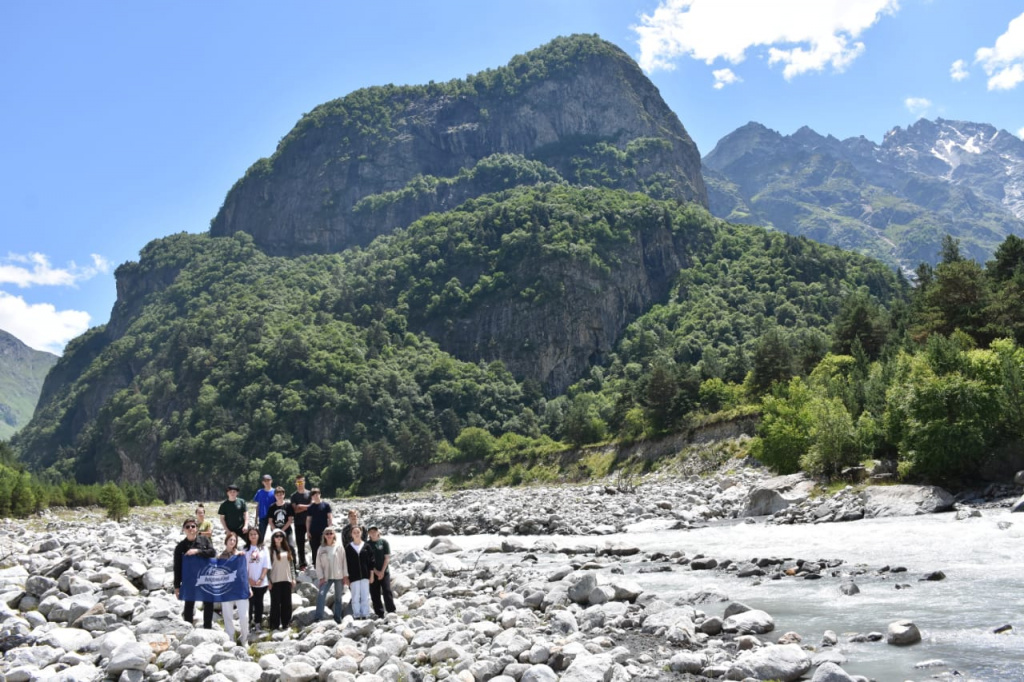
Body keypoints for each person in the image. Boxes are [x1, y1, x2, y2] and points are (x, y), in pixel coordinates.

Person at [172, 517, 215, 628]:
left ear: (196, 528)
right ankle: (188, 627)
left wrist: (197, 551)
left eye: (193, 526)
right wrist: (177, 587)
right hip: (189, 579)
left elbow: (212, 552)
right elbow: (177, 567)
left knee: (208, 602)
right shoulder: (180, 547)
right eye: (188, 527)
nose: (190, 528)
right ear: (184, 530)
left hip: (205, 577)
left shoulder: (204, 540)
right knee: (189, 604)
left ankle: (207, 627)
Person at [217, 532, 251, 643]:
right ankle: (230, 638)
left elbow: (244, 573)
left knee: (244, 616)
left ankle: (244, 638)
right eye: (230, 540)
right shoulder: (220, 557)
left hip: (240, 589)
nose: (232, 542)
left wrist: (249, 587)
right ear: (226, 541)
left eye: (234, 540)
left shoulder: (240, 556)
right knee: (227, 616)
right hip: (226, 590)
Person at [314, 527, 348, 623]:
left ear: (334, 535)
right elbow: (318, 564)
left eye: (331, 533)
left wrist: (345, 576)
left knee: (338, 598)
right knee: (321, 595)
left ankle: (338, 618)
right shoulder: (321, 548)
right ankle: (318, 617)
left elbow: (344, 562)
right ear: (324, 535)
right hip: (326, 577)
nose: (329, 535)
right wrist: (320, 577)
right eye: (327, 533)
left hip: (338, 576)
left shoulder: (339, 547)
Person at [267, 530, 296, 630]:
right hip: (274, 580)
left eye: (281, 536)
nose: (278, 538)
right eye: (276, 536)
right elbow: (267, 567)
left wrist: (293, 578)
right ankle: (274, 625)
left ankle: (286, 623)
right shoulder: (269, 550)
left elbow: (292, 565)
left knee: (287, 603)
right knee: (275, 603)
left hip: (286, 579)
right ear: (273, 538)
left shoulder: (288, 549)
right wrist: (268, 580)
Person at [344, 525, 374, 619]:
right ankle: (356, 614)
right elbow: (346, 563)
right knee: (355, 597)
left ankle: (365, 614)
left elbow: (371, 562)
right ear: (351, 534)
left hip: (365, 575)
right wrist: (346, 577)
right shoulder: (348, 547)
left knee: (365, 596)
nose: (356, 534)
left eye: (358, 532)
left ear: (361, 533)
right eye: (354, 532)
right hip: (353, 576)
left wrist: (371, 575)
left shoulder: (366, 546)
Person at [244, 527, 270, 633]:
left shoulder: (264, 549)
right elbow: (242, 566)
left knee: (259, 603)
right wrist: (248, 579)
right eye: (251, 534)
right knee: (249, 604)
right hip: (249, 582)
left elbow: (266, 565)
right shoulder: (245, 550)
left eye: (255, 534)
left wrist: (261, 578)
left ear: (258, 535)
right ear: (248, 536)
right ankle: (249, 623)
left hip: (261, 582)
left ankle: (258, 623)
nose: (253, 536)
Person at [367, 526, 396, 618]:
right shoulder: (367, 544)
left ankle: (391, 611)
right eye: (371, 531)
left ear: (378, 532)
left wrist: (382, 572)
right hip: (372, 573)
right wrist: (376, 572)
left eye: (374, 531)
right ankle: (379, 613)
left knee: (387, 591)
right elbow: (367, 560)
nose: (373, 533)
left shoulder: (384, 542)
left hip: (385, 572)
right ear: (368, 533)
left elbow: (387, 558)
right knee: (374, 593)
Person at [306, 488, 333, 567]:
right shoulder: (310, 507)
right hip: (313, 531)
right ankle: (316, 565)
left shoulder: (326, 505)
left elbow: (330, 517)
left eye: (317, 494)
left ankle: (327, 564)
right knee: (315, 549)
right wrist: (307, 531)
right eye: (314, 495)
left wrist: (330, 529)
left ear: (320, 494)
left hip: (324, 531)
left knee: (325, 548)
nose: (316, 496)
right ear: (312, 497)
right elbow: (308, 520)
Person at [290, 475, 312, 569]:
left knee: (313, 542)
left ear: (304, 482)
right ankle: (302, 563)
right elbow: (295, 510)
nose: (300, 484)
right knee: (300, 544)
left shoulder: (309, 494)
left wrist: (300, 506)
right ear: (296, 483)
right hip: (298, 523)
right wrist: (307, 507)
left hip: (310, 522)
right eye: (298, 482)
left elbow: (312, 506)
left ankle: (315, 562)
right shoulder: (293, 496)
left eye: (301, 482)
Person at [253, 474, 276, 545]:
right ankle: (259, 549)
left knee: (275, 534)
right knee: (260, 535)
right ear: (262, 482)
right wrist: (256, 518)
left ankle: (275, 549)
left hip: (273, 516)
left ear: (271, 481)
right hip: (262, 516)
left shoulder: (275, 492)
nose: (267, 482)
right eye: (265, 481)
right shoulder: (260, 492)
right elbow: (258, 505)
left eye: (268, 480)